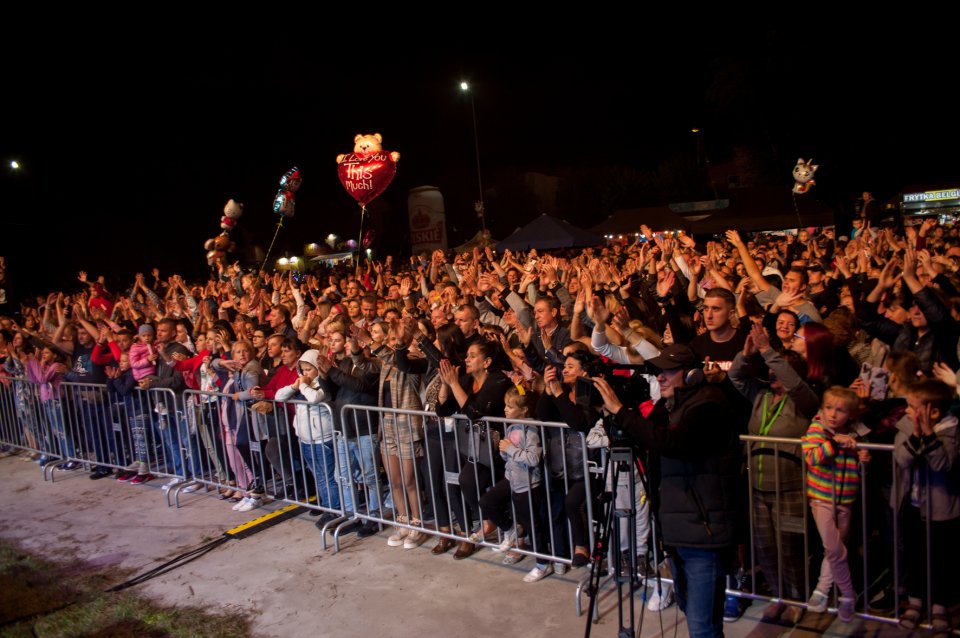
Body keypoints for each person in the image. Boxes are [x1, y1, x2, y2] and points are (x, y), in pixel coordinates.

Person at [593, 344, 742, 638]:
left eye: (668, 371)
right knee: (699, 620)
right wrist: (620, 414)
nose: (660, 377)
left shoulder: (708, 405)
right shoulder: (671, 406)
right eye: (658, 372)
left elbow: (672, 443)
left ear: (693, 375)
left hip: (704, 531)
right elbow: (648, 433)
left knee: (702, 627)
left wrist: (622, 412)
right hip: (681, 528)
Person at [729, 323, 819, 624]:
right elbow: (735, 376)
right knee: (766, 547)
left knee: (791, 546)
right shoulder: (762, 395)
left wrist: (768, 350)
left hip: (789, 487)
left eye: (775, 368)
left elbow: (794, 385)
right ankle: (779, 595)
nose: (770, 373)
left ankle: (798, 598)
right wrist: (747, 354)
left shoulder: (803, 401)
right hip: (757, 485)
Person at [892, 379, 958, 634]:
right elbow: (902, 459)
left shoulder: (951, 429)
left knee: (941, 557)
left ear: (933, 411)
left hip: (942, 508)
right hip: (912, 504)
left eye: (912, 406)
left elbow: (942, 464)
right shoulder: (907, 425)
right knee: (915, 554)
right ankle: (916, 600)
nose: (907, 410)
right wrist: (917, 433)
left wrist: (929, 434)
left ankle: (940, 604)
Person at [437, 339, 513, 559]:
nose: (466, 360)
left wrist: (454, 385)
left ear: (487, 361)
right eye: (467, 355)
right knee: (467, 481)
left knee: (496, 490)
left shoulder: (498, 380)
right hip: (479, 448)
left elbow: (475, 411)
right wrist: (445, 382)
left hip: (502, 448)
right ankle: (491, 521)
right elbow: (443, 409)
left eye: (472, 356)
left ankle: (508, 526)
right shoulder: (466, 380)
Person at [801, 386, 870, 623]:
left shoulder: (855, 433)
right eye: (829, 408)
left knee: (835, 547)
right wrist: (833, 443)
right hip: (821, 498)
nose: (833, 414)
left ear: (850, 414)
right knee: (834, 548)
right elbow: (811, 456)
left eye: (840, 410)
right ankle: (848, 595)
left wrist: (863, 457)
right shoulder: (817, 429)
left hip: (846, 499)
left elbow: (861, 462)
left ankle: (822, 590)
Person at [476, 386, 552, 582]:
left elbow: (534, 458)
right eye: (505, 406)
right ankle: (509, 529)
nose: (505, 410)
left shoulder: (531, 430)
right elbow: (507, 453)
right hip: (512, 479)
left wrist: (510, 450)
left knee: (532, 525)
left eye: (510, 406)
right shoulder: (511, 426)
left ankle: (543, 563)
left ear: (524, 410)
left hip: (528, 484)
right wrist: (504, 450)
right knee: (487, 501)